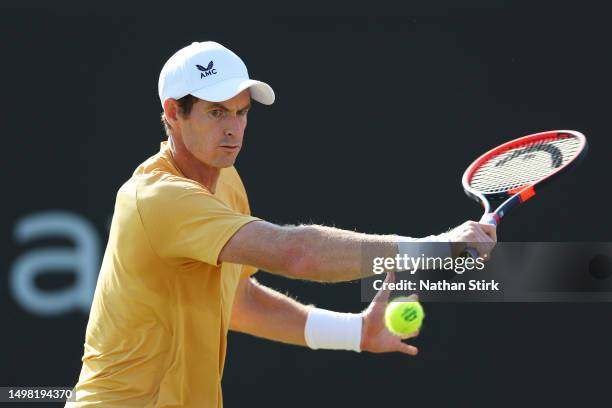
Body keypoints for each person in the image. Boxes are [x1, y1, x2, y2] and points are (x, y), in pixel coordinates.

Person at [68, 41, 496, 407]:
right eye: (216, 113)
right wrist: (434, 248)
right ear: (174, 113)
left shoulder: (226, 181)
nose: (233, 129)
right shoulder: (158, 197)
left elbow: (237, 300)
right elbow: (296, 253)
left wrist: (355, 331)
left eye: (241, 112)